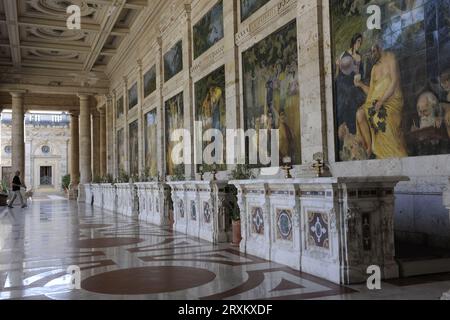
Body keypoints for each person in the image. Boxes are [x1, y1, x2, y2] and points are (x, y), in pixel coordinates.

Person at [354, 41, 408, 159]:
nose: (372, 55)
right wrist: (361, 85)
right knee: (360, 114)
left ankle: (390, 155)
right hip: (377, 103)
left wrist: (381, 101)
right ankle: (369, 149)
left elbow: (394, 83)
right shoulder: (374, 69)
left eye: (373, 51)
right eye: (371, 52)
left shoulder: (391, 59)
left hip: (392, 102)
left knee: (382, 120)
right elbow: (372, 93)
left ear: (380, 48)